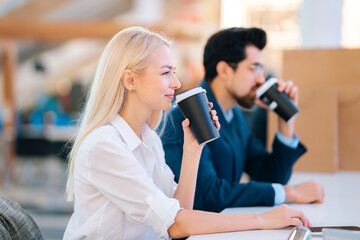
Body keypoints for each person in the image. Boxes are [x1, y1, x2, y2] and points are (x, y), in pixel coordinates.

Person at [64, 26, 310, 240]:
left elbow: (179, 210)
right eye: (165, 73)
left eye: (173, 72)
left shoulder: (148, 138)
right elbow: (175, 224)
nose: (177, 83)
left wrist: (192, 150)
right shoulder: (104, 145)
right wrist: (262, 220)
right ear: (130, 81)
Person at [160, 27, 325, 213]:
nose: (261, 79)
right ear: (224, 70)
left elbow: (269, 176)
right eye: (254, 69)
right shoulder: (186, 116)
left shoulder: (236, 115)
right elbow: (207, 195)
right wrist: (289, 193)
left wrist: (285, 120)